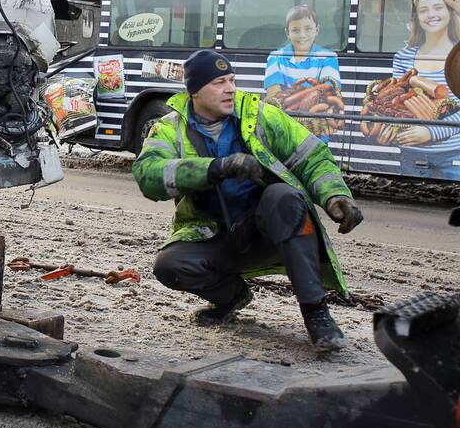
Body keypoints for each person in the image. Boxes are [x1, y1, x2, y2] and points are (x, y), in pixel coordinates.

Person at [132, 49, 364, 352]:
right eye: (219, 83)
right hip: (215, 235)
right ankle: (232, 296)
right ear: (195, 91)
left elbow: (312, 158)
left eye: (231, 80)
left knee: (284, 196)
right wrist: (215, 168)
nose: (230, 89)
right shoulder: (170, 128)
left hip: (271, 231)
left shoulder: (261, 116)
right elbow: (148, 175)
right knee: (170, 265)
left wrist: (335, 195)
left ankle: (317, 315)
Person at [389, 0, 460, 180]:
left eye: (438, 7)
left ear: (449, 11)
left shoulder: (457, 56)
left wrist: (431, 132)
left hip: (454, 155)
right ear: (417, 19)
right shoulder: (403, 57)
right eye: (423, 10)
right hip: (411, 153)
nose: (431, 15)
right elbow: (396, 106)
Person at [264, 5, 342, 140]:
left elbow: (328, 93)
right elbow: (273, 97)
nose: (302, 35)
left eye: (308, 29)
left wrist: (290, 99)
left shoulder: (328, 57)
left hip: (317, 136)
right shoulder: (275, 57)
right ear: (287, 33)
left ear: (317, 30)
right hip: (283, 134)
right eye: (295, 30)